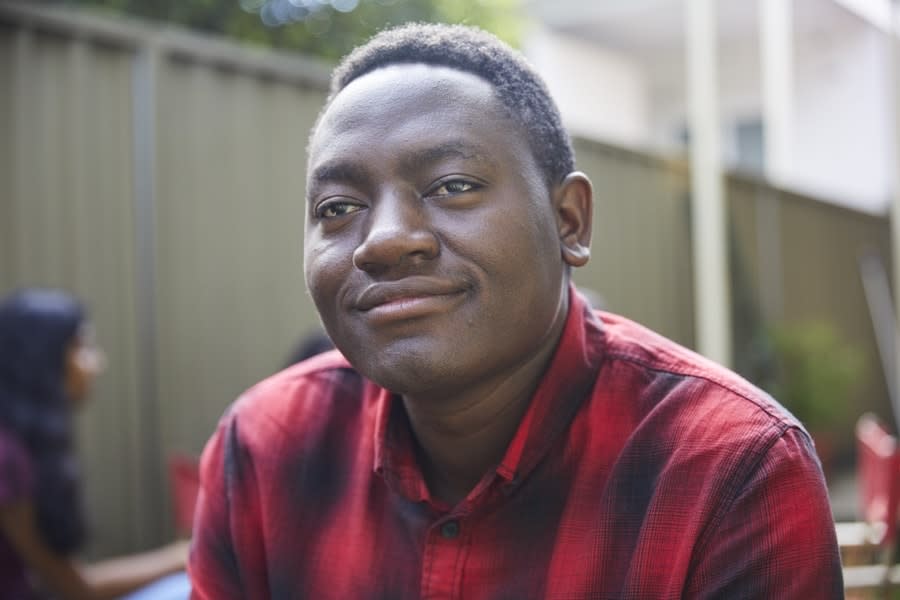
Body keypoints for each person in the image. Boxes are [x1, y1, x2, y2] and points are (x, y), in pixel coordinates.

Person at [189, 23, 843, 598]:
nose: (383, 241)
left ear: (569, 221)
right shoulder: (262, 450)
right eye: (338, 208)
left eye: (453, 186)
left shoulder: (731, 473)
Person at [0, 289, 189, 599]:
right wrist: (183, 556)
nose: (96, 363)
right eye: (82, 348)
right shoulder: (6, 457)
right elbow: (76, 589)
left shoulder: (19, 447)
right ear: (41, 360)